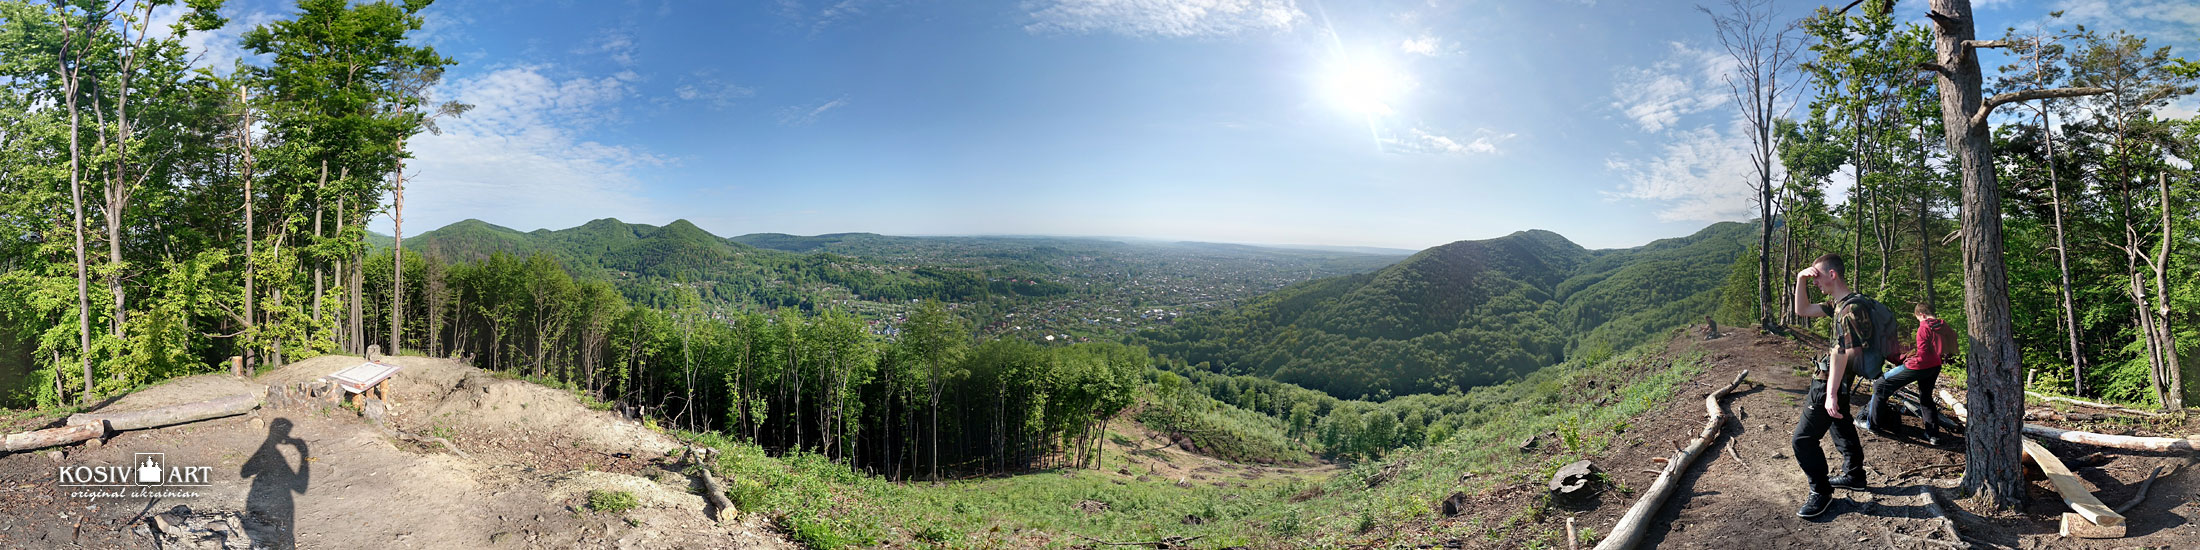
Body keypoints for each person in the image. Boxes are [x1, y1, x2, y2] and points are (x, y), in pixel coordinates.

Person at [1789, 253, 1886, 518]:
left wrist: (1830, 393)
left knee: (1803, 440)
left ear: (1833, 274)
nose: (1816, 280)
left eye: (1818, 276)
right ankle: (1855, 475)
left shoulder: (1849, 310)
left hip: (1830, 382)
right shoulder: (1844, 303)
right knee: (1840, 423)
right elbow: (1803, 310)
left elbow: (1841, 352)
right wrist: (1801, 279)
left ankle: (1820, 492)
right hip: (1841, 381)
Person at [1867, 302, 1952, 445]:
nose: (1918, 321)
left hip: (1920, 366)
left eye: (1918, 318)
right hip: (1935, 366)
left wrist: (1907, 362)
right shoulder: (1942, 326)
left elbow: (1923, 356)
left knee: (1880, 385)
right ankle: (1933, 435)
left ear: (1922, 315)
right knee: (1926, 398)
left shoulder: (1924, 327)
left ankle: (1873, 425)